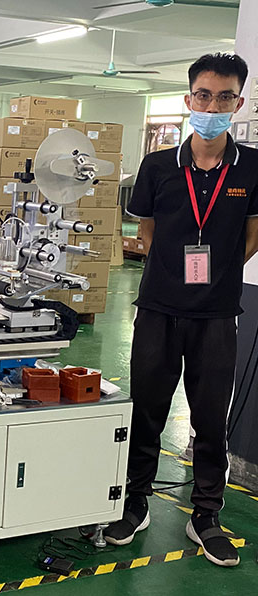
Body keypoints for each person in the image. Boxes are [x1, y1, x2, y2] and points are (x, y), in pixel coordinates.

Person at [104, 53, 258, 567]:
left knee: (211, 419)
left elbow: (252, 234)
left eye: (224, 97)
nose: (212, 107)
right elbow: (145, 231)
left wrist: (217, 276)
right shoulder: (157, 166)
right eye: (204, 95)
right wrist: (174, 271)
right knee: (146, 410)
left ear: (238, 102)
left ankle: (206, 516)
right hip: (158, 310)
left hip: (216, 316)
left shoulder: (252, 166)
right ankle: (135, 502)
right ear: (189, 98)